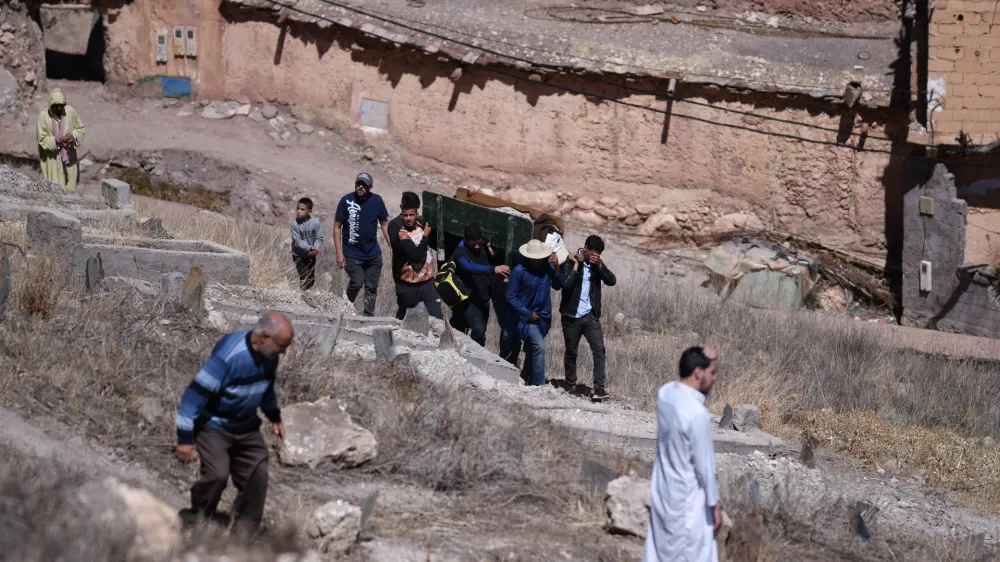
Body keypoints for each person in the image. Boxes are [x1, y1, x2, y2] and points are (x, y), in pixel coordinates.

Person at [175, 312, 294, 534]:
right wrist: (185, 438)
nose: (284, 352)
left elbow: (266, 388)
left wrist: (274, 416)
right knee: (217, 475)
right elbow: (193, 396)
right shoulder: (229, 355)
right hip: (215, 425)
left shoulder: (270, 355)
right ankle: (195, 522)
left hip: (246, 426)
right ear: (265, 336)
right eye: (282, 346)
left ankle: (244, 535)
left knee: (258, 473)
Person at [644, 346, 723, 562]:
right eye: (712, 372)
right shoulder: (697, 415)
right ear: (699, 372)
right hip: (687, 504)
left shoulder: (665, 394)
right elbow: (704, 467)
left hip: (663, 494)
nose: (714, 378)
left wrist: (706, 357)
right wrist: (714, 504)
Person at [558, 234, 616, 402]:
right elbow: (565, 286)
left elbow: (612, 280)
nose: (594, 257)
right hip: (571, 315)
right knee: (571, 351)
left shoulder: (597, 265)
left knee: (599, 350)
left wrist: (600, 266)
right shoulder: (570, 260)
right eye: (592, 253)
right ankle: (570, 386)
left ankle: (599, 389)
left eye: (598, 254)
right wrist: (576, 265)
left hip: (590, 316)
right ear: (585, 248)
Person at [506, 239, 561, 386]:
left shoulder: (547, 268)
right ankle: (540, 384)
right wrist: (528, 313)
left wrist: (557, 267)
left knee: (532, 348)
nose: (538, 261)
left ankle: (526, 377)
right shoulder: (519, 271)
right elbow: (511, 296)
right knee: (539, 346)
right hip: (527, 318)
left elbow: (557, 285)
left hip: (543, 317)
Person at [335, 173, 390, 316]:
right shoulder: (346, 201)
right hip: (352, 252)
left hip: (373, 254)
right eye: (358, 183)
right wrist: (339, 253)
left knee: (371, 287)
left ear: (370, 187)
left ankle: (368, 317)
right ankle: (344, 308)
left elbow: (384, 224)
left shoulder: (377, 201)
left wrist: (393, 246)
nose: (360, 187)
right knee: (357, 282)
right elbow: (337, 227)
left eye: (364, 184)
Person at [451, 223, 511, 347]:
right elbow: (468, 266)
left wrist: (494, 256)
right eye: (474, 243)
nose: (477, 246)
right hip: (467, 299)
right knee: (476, 330)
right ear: (466, 241)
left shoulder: (482, 248)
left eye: (479, 242)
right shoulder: (460, 252)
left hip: (482, 298)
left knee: (480, 332)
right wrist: (492, 269)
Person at [388, 191, 443, 320]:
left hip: (427, 283)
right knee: (404, 321)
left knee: (437, 320)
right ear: (401, 210)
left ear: (417, 213)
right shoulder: (396, 227)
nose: (408, 219)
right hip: (407, 285)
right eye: (405, 215)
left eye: (412, 215)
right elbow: (416, 255)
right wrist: (425, 236)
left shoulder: (421, 223)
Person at [37, 88, 86, 193]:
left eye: (61, 105)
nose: (59, 108)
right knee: (54, 190)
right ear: (51, 105)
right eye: (56, 105)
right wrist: (58, 140)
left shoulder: (70, 111)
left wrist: (74, 136)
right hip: (52, 159)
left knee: (70, 189)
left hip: (69, 156)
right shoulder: (43, 116)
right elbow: (42, 139)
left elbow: (80, 128)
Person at [290, 197, 323, 291]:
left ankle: (306, 294)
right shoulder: (295, 224)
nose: (299, 211)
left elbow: (319, 237)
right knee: (304, 275)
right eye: (297, 208)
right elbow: (297, 241)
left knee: (311, 278)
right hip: (298, 254)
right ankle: (303, 295)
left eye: (302, 209)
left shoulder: (315, 223)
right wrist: (310, 248)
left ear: (309, 211)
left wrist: (316, 247)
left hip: (311, 254)